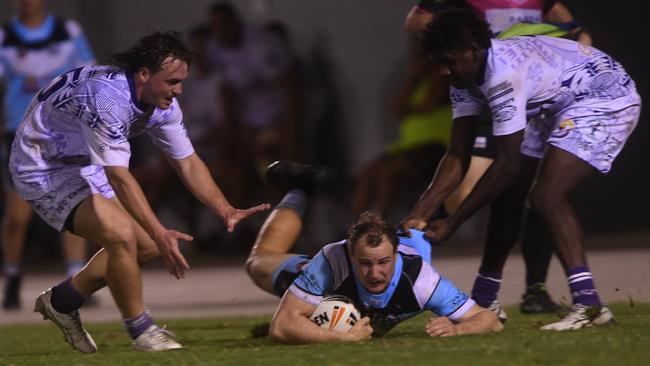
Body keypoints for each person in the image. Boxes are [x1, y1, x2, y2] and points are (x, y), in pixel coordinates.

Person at [9, 31, 269, 352]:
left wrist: (224, 208)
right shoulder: (108, 100)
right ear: (144, 74)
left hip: (85, 163)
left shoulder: (161, 103)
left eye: (181, 81)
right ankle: (142, 331)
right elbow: (119, 177)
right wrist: (160, 230)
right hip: (42, 166)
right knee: (122, 236)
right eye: (172, 81)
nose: (179, 90)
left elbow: (186, 162)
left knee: (145, 247)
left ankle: (61, 301)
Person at [402, 8, 640, 330]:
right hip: (553, 102)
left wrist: (453, 222)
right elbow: (457, 155)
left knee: (546, 195)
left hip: (604, 95)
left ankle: (590, 306)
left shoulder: (502, 77)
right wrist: (421, 213)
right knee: (508, 195)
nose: (443, 72)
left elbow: (507, 165)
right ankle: (486, 301)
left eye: (448, 61)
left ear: (473, 50)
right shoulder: (462, 74)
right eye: (438, 63)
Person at [245, 161, 503, 343]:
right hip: (325, 289)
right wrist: (341, 338)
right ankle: (303, 187)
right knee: (258, 262)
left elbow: (489, 320)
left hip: (400, 256)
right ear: (351, 255)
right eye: (366, 263)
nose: (375, 273)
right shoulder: (331, 261)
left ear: (396, 256)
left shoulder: (422, 282)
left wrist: (458, 331)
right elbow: (280, 328)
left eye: (383, 262)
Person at [0, 0, 95, 310]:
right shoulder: (5, 37)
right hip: (21, 133)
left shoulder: (67, 32)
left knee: (75, 207)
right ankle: (13, 276)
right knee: (17, 216)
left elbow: (88, 75)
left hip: (64, 133)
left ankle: (76, 277)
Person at [352, 38, 451, 217]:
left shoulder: (442, 75)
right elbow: (397, 110)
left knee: (387, 172)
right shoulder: (416, 79)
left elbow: (429, 103)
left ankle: (377, 223)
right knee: (367, 171)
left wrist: (409, 107)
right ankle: (355, 225)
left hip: (436, 146)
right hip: (407, 146)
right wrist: (413, 77)